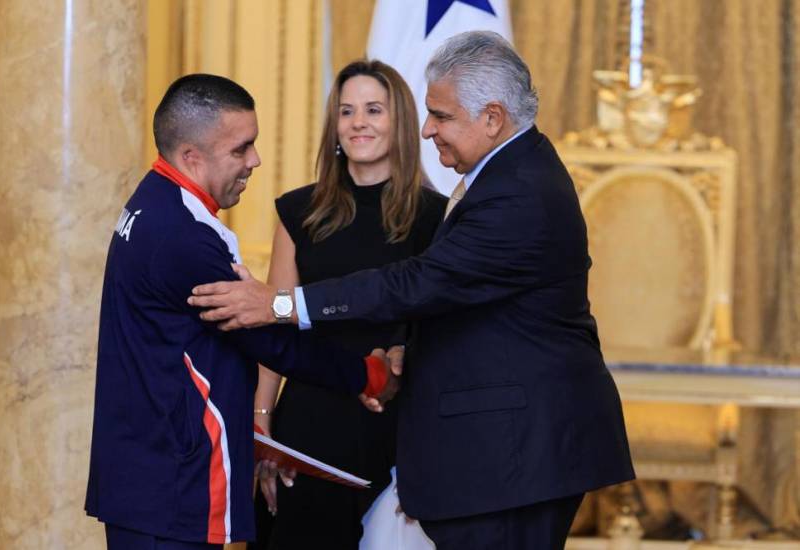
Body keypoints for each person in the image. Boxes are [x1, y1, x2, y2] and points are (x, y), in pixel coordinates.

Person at [189, 31, 635, 550]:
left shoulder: (518, 194)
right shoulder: (512, 174)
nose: (428, 130)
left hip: (516, 456)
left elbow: (419, 282)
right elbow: (471, 302)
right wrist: (409, 349)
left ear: (492, 118)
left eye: (441, 116)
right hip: (497, 451)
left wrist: (281, 303)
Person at [85, 73, 397, 550]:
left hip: (147, 474)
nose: (254, 160)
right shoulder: (183, 237)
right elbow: (270, 340)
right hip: (170, 484)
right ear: (192, 156)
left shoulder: (154, 199)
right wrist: (368, 376)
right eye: (240, 149)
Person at [251, 60, 446, 549]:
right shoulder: (298, 212)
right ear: (334, 127)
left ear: (400, 122)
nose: (359, 121)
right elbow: (275, 326)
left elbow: (443, 338)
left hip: (399, 427)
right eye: (347, 111)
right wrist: (263, 431)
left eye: (374, 109)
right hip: (309, 427)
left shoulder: (438, 218)